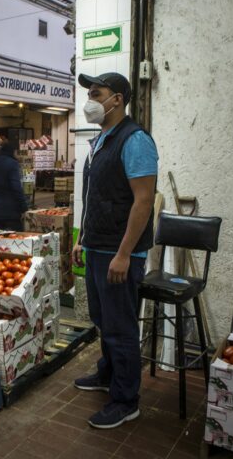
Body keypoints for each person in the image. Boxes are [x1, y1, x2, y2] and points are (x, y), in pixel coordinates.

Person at [72, 72, 158, 429]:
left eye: (96, 93)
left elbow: (143, 201)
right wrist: (81, 240)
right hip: (97, 245)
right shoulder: (100, 140)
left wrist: (125, 253)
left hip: (120, 252)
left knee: (121, 327)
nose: (90, 100)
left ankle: (126, 400)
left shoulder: (135, 140)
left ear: (117, 98)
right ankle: (108, 374)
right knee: (102, 319)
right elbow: (95, 197)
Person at [0, 142, 27, 231]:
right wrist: (23, 206)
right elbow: (16, 187)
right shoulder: (12, 163)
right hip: (10, 209)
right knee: (16, 239)